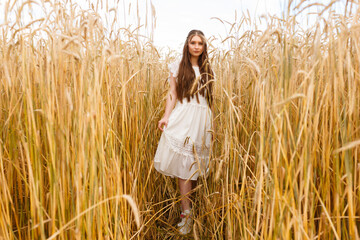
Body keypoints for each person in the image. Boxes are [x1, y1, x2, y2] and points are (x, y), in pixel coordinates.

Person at [153, 29, 215, 235]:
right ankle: (186, 215)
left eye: (200, 43)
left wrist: (212, 125)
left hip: (202, 119)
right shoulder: (178, 66)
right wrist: (165, 116)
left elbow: (209, 99)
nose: (196, 46)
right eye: (193, 42)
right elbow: (172, 94)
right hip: (184, 117)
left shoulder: (207, 69)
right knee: (184, 168)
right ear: (187, 44)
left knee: (194, 167)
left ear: (204, 47)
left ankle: (192, 211)